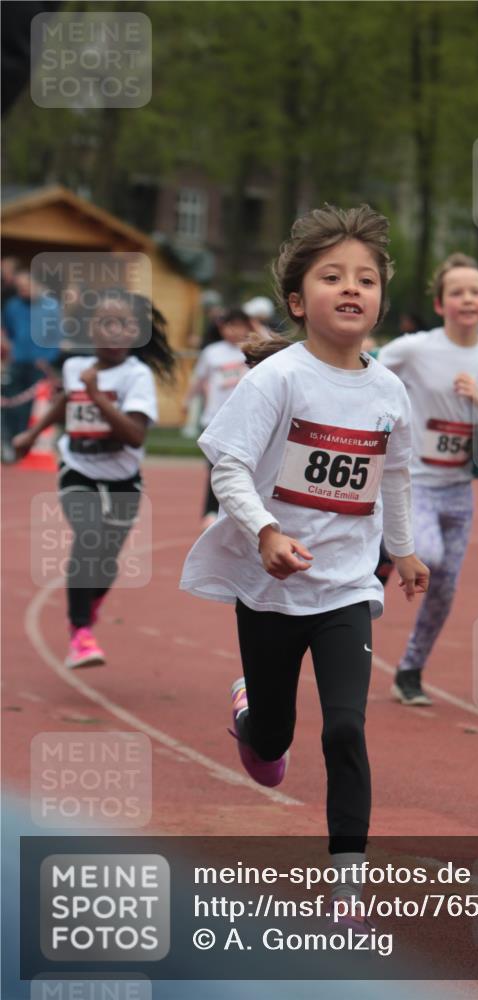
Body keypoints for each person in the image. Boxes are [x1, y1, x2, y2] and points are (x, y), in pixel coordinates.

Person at [180, 204, 429, 917]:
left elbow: (398, 477)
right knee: (274, 744)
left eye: (365, 279)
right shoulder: (276, 380)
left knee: (346, 727)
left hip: (348, 584)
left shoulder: (388, 392)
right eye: (331, 277)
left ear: (380, 298)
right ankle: (252, 713)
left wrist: (403, 551)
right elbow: (227, 467)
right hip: (271, 586)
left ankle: (347, 879)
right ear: (297, 301)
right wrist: (264, 531)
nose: (352, 288)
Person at [12, 288, 176, 668]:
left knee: (105, 561)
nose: (115, 332)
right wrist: (32, 435)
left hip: (123, 478)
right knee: (88, 537)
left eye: (124, 324)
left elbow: (135, 435)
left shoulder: (137, 376)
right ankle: (80, 633)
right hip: (78, 468)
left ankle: (91, 599)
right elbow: (66, 400)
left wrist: (96, 395)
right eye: (106, 323)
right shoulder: (75, 368)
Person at [378, 253, 478, 706]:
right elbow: (369, 367)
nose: (467, 299)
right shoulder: (416, 349)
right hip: (414, 483)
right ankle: (385, 550)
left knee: (446, 587)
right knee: (427, 555)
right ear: (440, 304)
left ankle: (411, 670)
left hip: (459, 491)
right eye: (457, 292)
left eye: (475, 291)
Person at [182, 307, 255, 529]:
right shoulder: (212, 352)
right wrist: (187, 400)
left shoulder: (253, 350)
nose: (233, 331)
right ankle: (211, 511)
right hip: (215, 418)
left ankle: (239, 512)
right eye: (228, 326)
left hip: (244, 419)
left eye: (238, 325)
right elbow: (198, 378)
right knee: (215, 468)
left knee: (243, 468)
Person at [1, 270, 61, 459]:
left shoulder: (50, 307)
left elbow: (57, 335)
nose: (23, 291)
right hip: (18, 361)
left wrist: (48, 358)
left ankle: (34, 446)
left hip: (41, 363)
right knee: (12, 404)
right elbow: (7, 330)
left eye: (26, 287)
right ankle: (12, 444)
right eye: (20, 288)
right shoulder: (12, 306)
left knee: (38, 407)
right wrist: (9, 349)